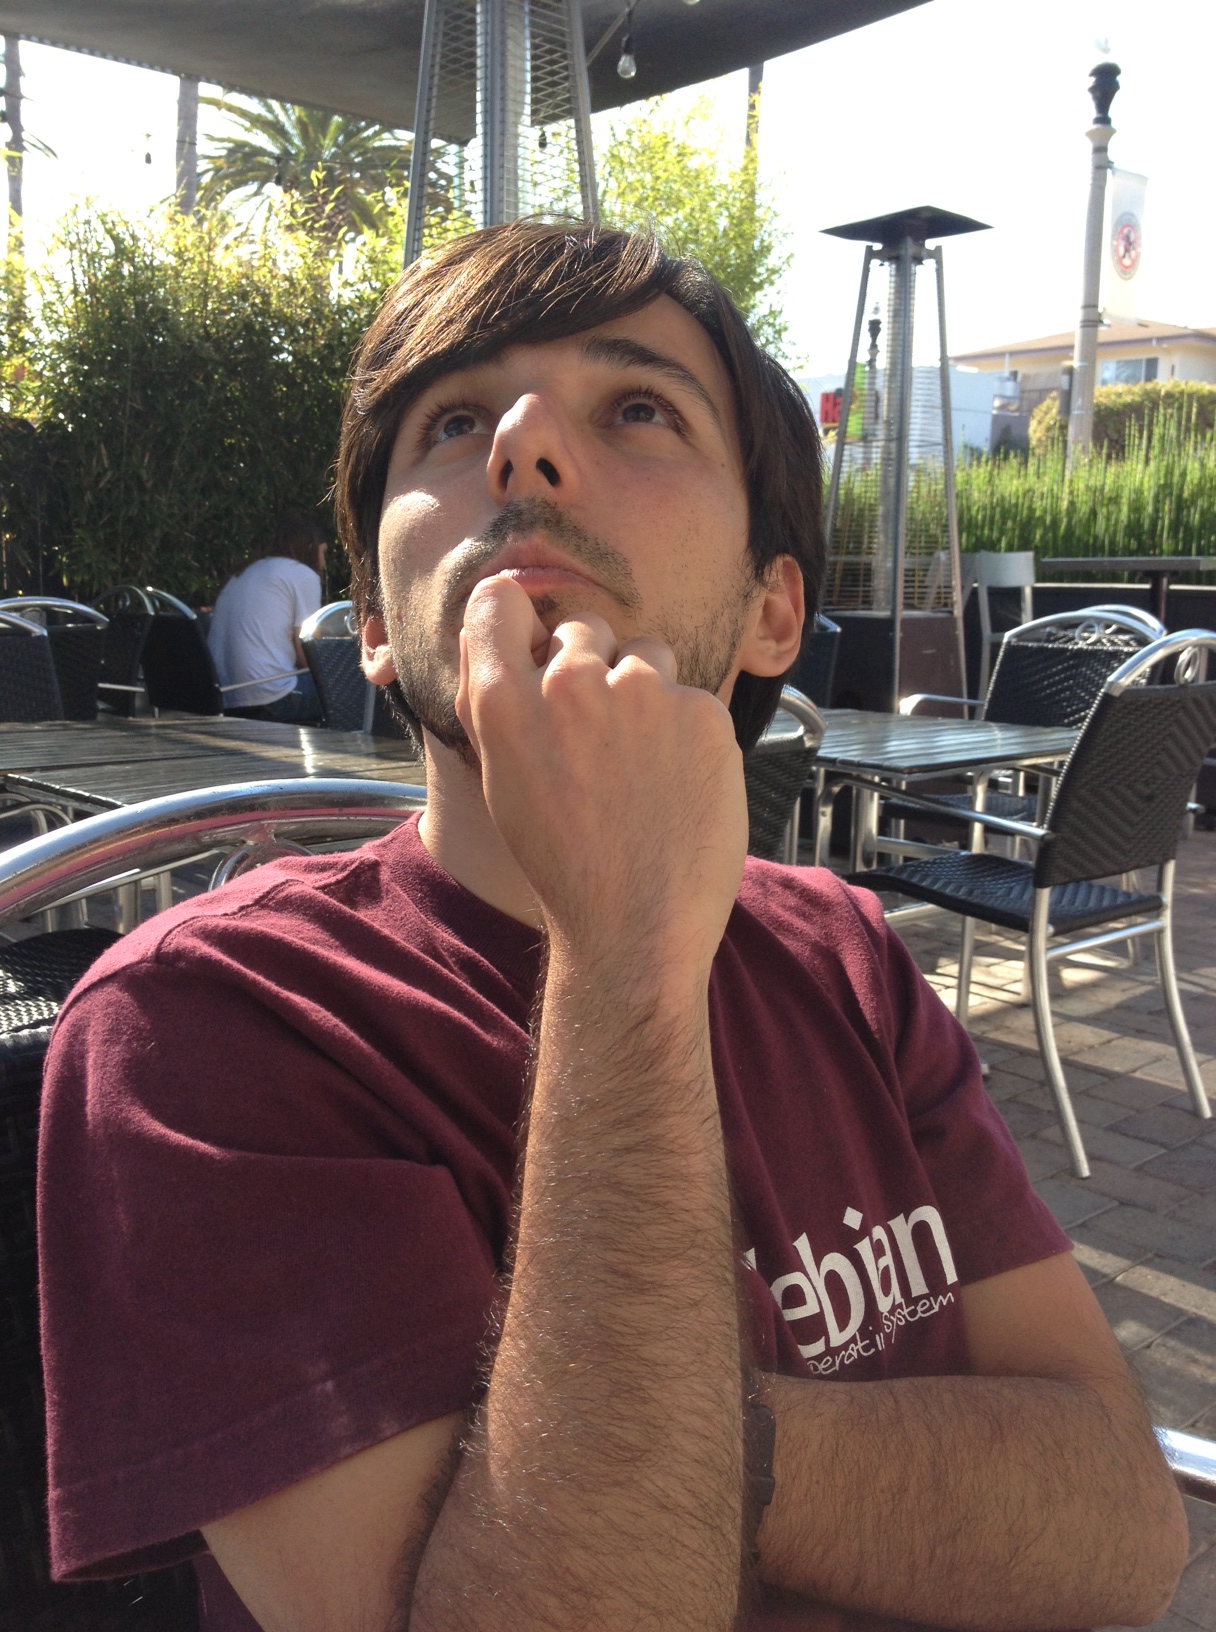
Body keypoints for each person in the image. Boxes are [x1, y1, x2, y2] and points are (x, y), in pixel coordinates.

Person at [38, 223, 1186, 1632]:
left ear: (773, 611)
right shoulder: (210, 1027)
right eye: (452, 421)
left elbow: (1121, 1526)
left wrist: (674, 1453)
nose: (523, 446)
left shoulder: (845, 953)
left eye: (638, 407)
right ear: (376, 625)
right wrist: (631, 952)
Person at [207, 509, 328, 722]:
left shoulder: (245, 571)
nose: (324, 563)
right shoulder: (302, 575)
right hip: (271, 697)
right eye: (324, 553)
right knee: (354, 684)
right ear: (311, 547)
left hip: (224, 698)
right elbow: (307, 654)